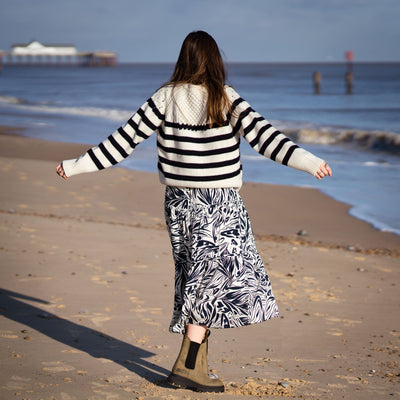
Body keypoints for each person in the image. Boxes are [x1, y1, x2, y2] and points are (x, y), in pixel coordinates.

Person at [56, 31, 332, 393]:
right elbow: (268, 139)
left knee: (197, 280)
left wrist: (76, 165)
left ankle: (197, 365)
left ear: (183, 59)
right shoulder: (225, 97)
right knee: (209, 284)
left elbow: (121, 142)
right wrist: (310, 162)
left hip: (179, 203)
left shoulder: (164, 98)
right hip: (220, 205)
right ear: (215, 60)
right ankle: (187, 367)